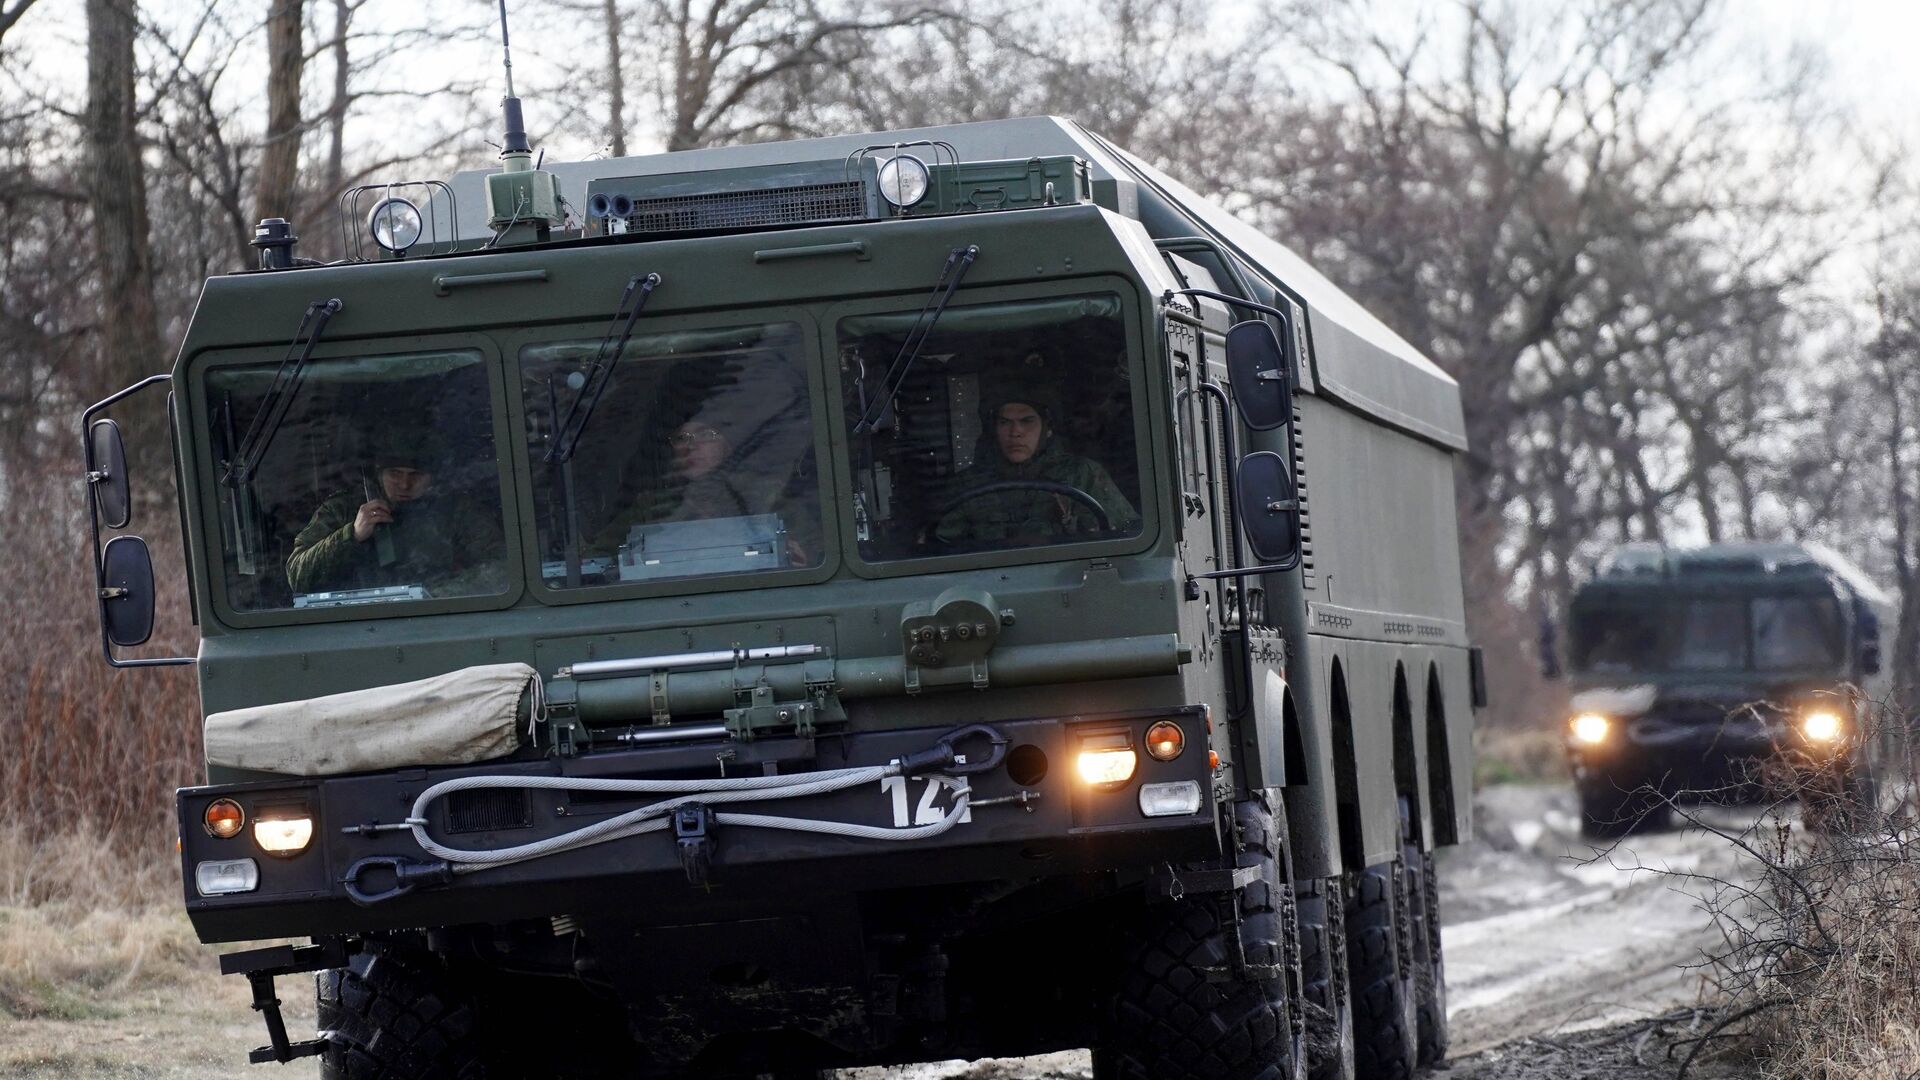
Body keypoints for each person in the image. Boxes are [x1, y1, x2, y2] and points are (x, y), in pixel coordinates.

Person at [286, 429, 504, 595]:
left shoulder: (457, 511)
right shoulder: (343, 509)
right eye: (395, 473)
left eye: (416, 475)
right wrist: (350, 534)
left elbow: (499, 567)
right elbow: (298, 576)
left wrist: (439, 592)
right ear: (379, 474)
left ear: (432, 477)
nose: (404, 484)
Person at [932, 386, 1140, 549]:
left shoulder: (1083, 474)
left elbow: (1126, 536)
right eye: (1005, 422)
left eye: (1027, 421)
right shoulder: (967, 484)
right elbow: (942, 549)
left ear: (1047, 428)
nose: (1015, 432)